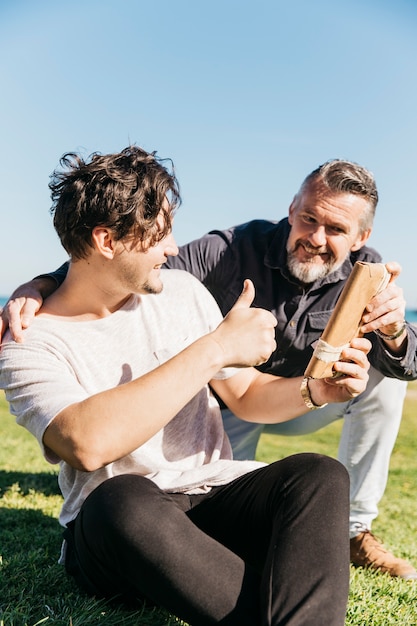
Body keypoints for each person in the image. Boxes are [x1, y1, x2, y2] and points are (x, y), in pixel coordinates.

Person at [0, 146, 372, 626]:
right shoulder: (29, 340)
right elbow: (85, 445)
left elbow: (246, 395)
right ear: (106, 240)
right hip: (119, 526)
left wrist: (316, 391)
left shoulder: (182, 294)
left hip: (213, 497)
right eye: (160, 233)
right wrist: (215, 348)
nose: (173, 248)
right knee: (120, 499)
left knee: (319, 474)